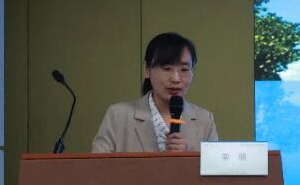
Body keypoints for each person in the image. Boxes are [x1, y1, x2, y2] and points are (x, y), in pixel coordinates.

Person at [91, 32, 219, 153]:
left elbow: (214, 167)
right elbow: (97, 165)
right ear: (147, 70)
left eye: (184, 69)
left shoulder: (205, 120)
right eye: (167, 68)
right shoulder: (118, 116)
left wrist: (186, 156)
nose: (176, 78)